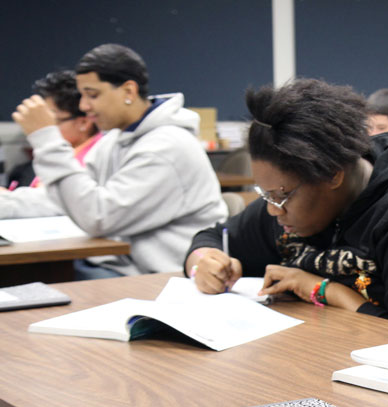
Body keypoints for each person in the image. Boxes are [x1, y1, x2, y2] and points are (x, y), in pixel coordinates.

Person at [186, 78, 388, 321]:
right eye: (266, 196)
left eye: (279, 196)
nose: (272, 210)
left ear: (332, 174)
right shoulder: (293, 200)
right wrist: (205, 262)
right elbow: (214, 238)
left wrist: (325, 290)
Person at [10, 44, 227, 277]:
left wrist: (47, 139)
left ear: (129, 92)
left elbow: (98, 217)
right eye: (82, 95)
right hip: (113, 264)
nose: (84, 106)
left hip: (155, 278)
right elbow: (67, 199)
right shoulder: (114, 139)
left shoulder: (166, 147)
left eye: (92, 95)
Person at [1, 70, 102, 218]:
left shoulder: (95, 158)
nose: (40, 126)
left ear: (84, 122)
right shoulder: (62, 151)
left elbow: (55, 203)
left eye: (48, 119)